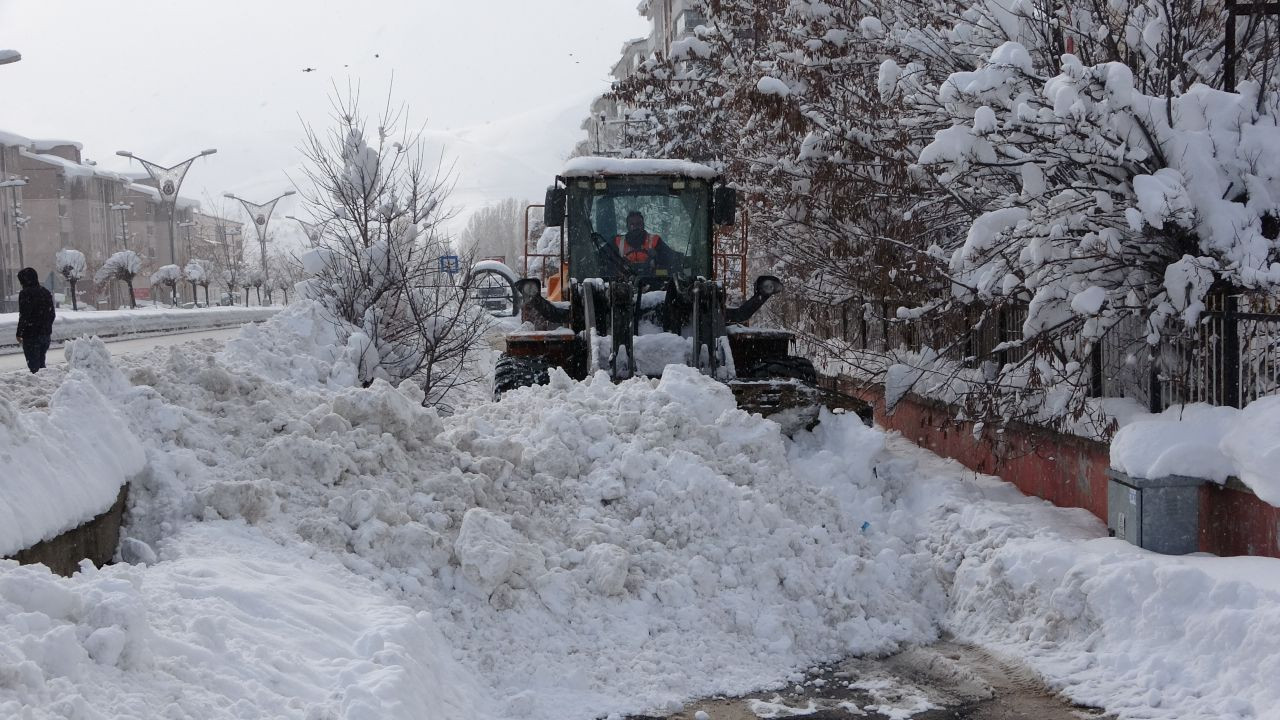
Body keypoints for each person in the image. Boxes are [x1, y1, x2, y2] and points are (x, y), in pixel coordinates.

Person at [15, 267, 55, 374]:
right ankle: (44, 384)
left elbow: (24, 315)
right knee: (41, 364)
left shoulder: (25, 293)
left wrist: (19, 333)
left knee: (34, 368)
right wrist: (46, 327)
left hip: (31, 335)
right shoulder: (46, 292)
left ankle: (42, 387)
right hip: (45, 335)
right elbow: (52, 314)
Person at [613, 211, 680, 273]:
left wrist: (657, 256)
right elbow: (607, 260)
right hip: (624, 281)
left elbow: (671, 260)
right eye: (632, 224)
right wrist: (619, 262)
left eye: (638, 224)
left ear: (643, 225)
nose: (635, 227)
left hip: (653, 280)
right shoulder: (617, 242)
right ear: (627, 226)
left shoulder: (655, 240)